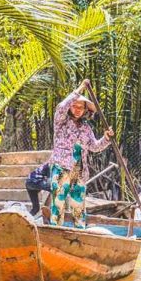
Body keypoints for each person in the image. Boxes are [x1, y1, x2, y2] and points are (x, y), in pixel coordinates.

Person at [49, 79, 113, 228]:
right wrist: (80, 88)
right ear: (70, 107)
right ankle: (55, 230)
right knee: (58, 203)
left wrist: (107, 138)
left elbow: (94, 146)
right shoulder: (61, 122)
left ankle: (79, 231)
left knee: (78, 206)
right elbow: (60, 108)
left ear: (85, 110)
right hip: (62, 168)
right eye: (75, 106)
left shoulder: (86, 128)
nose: (77, 109)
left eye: (81, 107)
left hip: (79, 172)